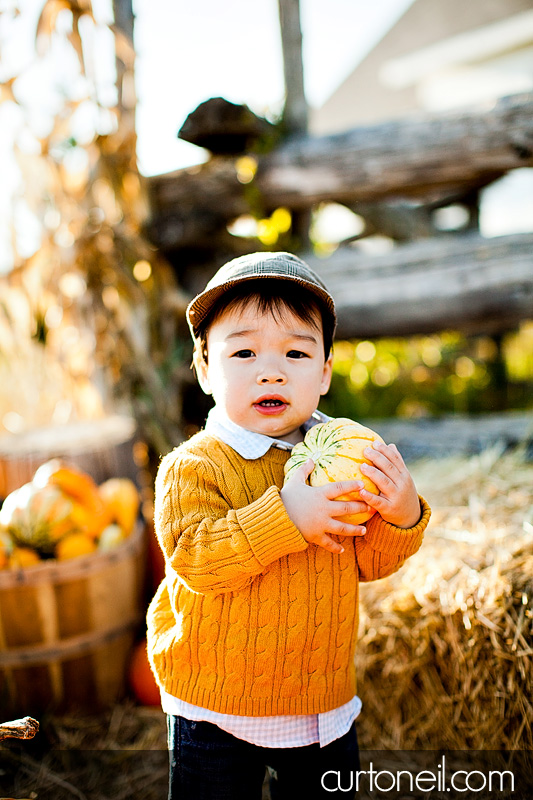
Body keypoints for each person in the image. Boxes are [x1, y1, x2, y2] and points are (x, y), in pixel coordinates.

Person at [146, 251, 431, 800]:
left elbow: (367, 563)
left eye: (296, 352)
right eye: (245, 351)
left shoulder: (344, 454)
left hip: (320, 706)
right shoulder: (194, 466)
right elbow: (195, 559)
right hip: (215, 708)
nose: (270, 370)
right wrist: (287, 517)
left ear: (324, 373)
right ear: (206, 369)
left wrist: (401, 516)